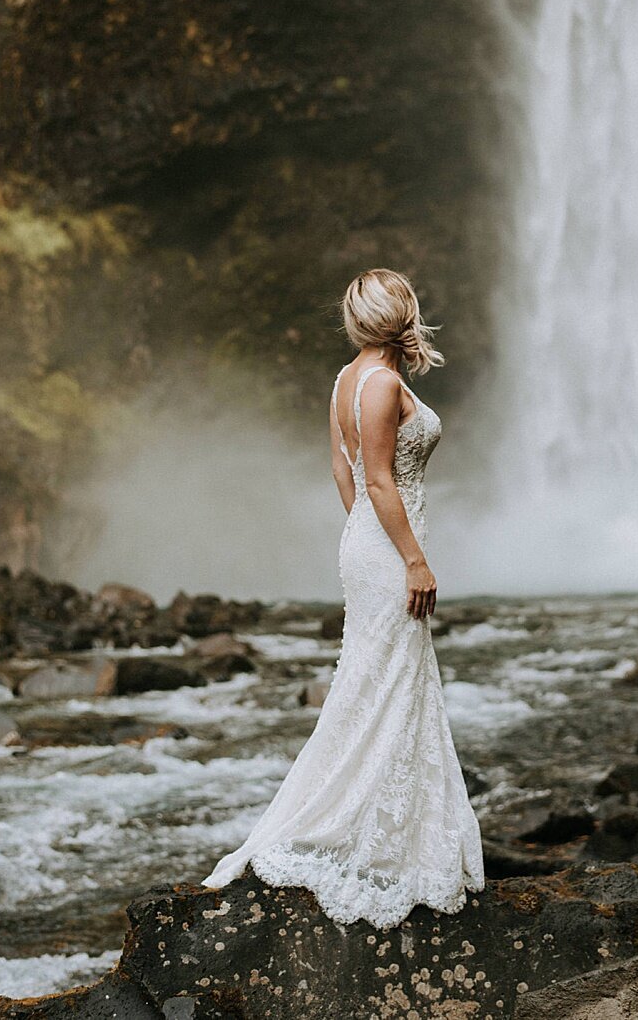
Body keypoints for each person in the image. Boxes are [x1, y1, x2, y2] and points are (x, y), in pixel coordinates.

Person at [202, 268, 484, 926]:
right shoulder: (384, 384)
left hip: (365, 544)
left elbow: (343, 468)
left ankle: (374, 827)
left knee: (375, 686)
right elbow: (383, 480)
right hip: (388, 550)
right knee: (388, 686)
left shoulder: (344, 379)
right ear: (402, 314)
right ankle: (366, 836)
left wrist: (365, 537)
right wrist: (411, 559)